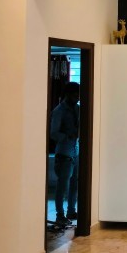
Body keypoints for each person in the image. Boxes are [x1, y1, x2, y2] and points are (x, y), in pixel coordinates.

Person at [51, 81, 80, 225]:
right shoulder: (59, 111)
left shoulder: (78, 109)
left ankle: (71, 211)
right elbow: (53, 133)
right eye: (76, 95)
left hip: (76, 150)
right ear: (68, 94)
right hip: (64, 152)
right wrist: (67, 136)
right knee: (63, 185)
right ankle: (60, 215)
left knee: (75, 183)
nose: (78, 98)